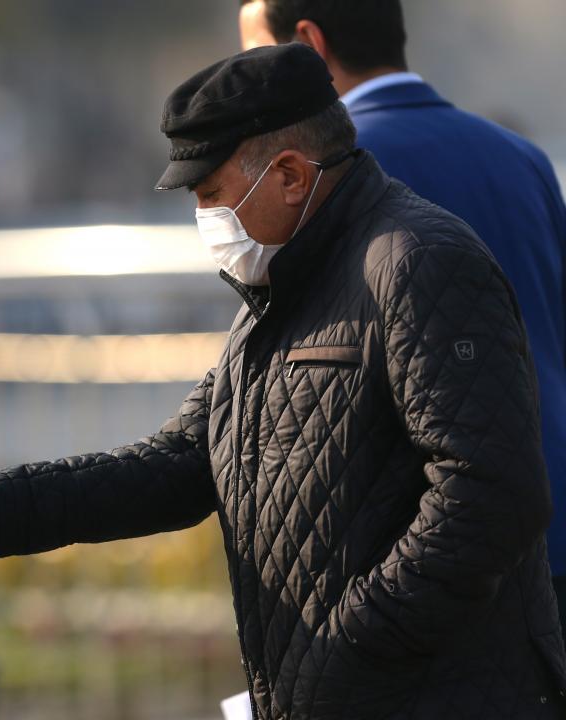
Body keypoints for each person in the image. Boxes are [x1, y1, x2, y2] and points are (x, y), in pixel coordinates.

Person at [0, 44, 566, 719]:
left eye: (212, 195)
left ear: (290, 176)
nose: (205, 220)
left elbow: (491, 494)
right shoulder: (278, 293)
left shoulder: (418, 262)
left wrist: (351, 645)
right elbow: (179, 462)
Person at [239, 0, 566, 630]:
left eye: (256, 57)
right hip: (550, 526)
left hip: (417, 559)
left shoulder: (315, 176)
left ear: (308, 45)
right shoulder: (522, 157)